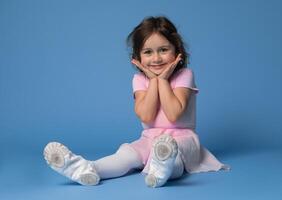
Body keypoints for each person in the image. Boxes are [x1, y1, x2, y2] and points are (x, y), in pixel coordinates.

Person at [43, 16, 229, 188]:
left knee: (174, 157)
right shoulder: (139, 80)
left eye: (163, 50)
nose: (156, 58)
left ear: (177, 51)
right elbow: (146, 116)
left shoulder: (184, 75)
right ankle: (86, 168)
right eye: (148, 52)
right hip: (149, 137)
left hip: (183, 139)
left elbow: (174, 114)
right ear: (138, 57)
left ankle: (162, 169)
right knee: (126, 155)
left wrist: (163, 80)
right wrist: (154, 80)